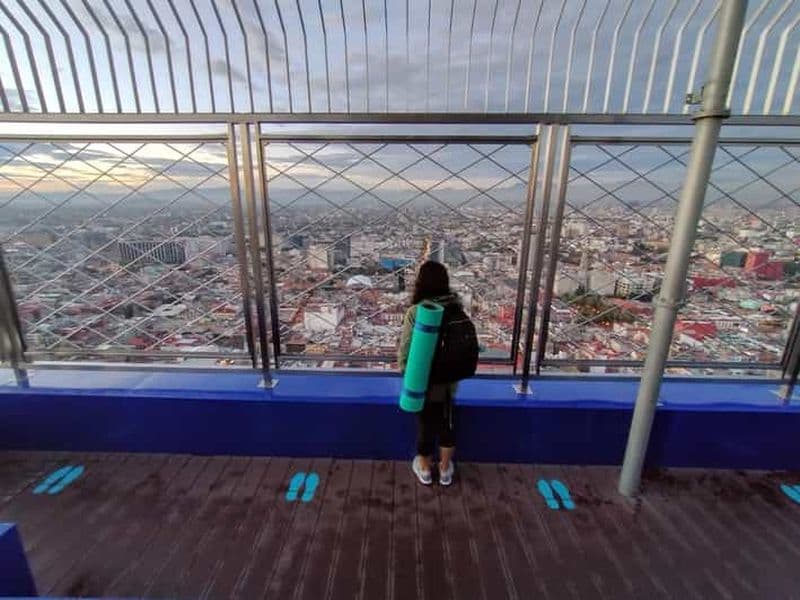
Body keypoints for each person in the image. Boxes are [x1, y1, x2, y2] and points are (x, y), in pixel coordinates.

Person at [398, 261, 460, 486]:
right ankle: (444, 469)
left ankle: (424, 469)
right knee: (447, 423)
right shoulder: (455, 310)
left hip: (422, 378)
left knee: (425, 423)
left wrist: (406, 372)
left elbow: (405, 347)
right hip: (448, 379)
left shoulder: (417, 312)